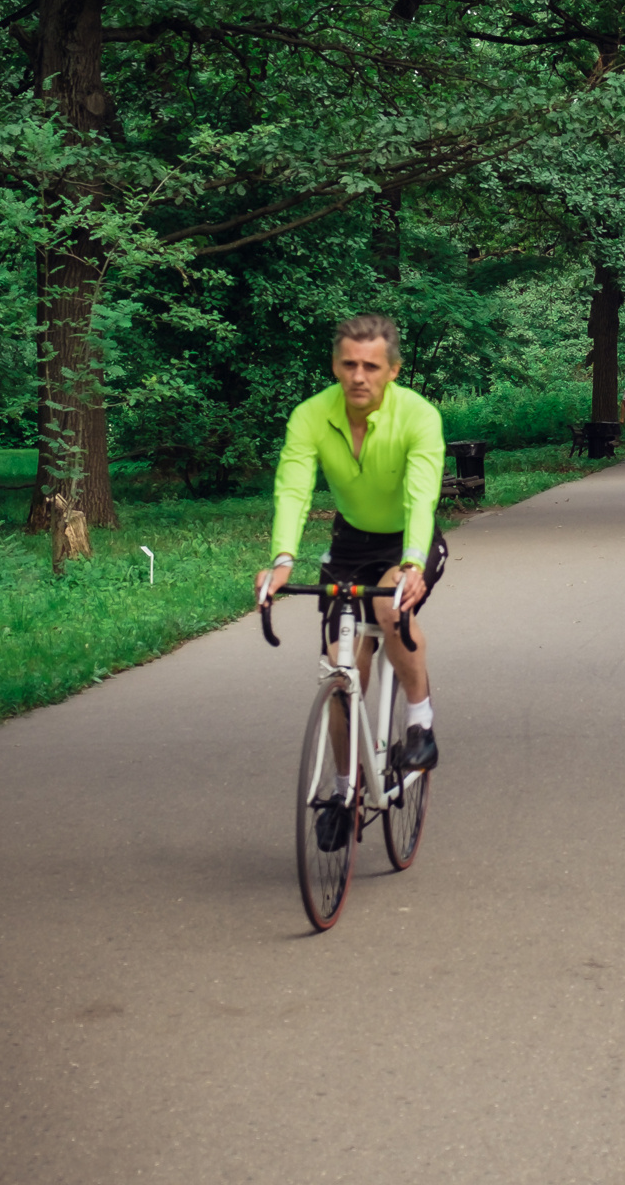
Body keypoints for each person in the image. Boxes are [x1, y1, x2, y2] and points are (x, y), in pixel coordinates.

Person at [258, 314, 447, 853]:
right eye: (348, 364)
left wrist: (413, 564)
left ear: (393, 370)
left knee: (391, 611)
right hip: (349, 544)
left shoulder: (418, 415)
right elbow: (293, 488)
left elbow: (421, 497)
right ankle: (344, 791)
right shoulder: (311, 415)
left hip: (407, 540)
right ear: (335, 365)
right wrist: (282, 559)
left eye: (371, 366)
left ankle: (420, 722)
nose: (358, 376)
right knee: (342, 670)